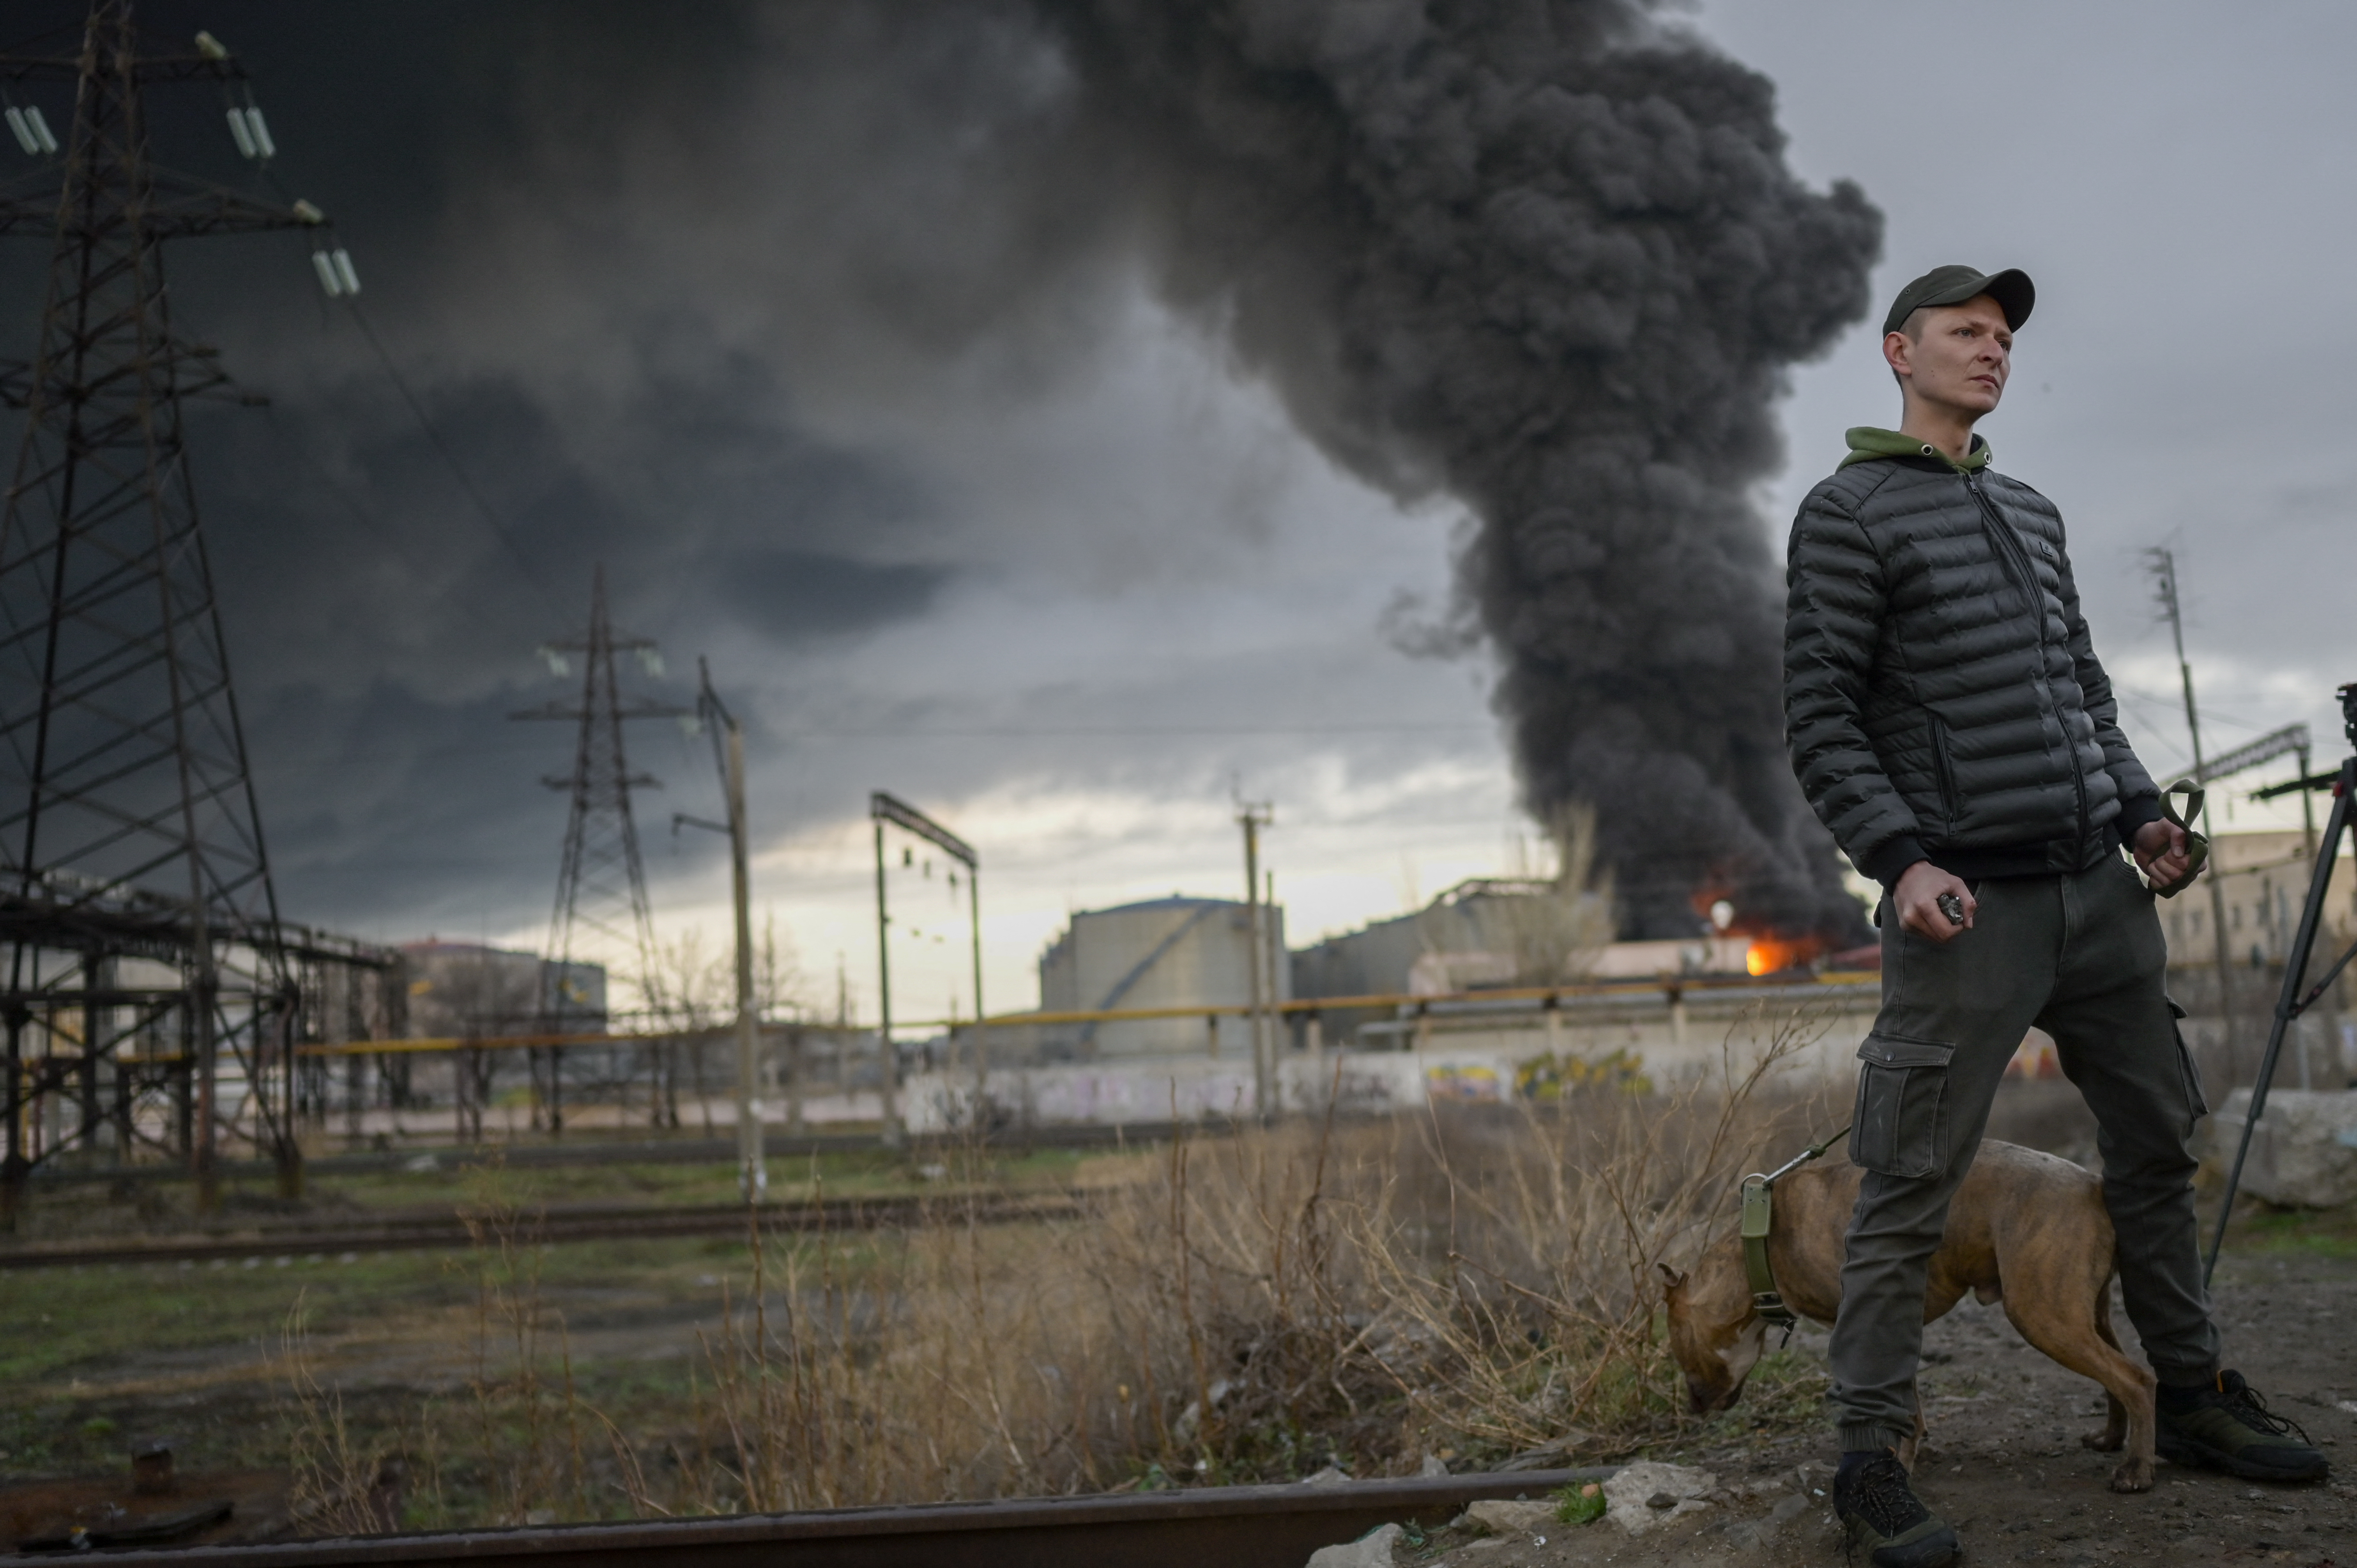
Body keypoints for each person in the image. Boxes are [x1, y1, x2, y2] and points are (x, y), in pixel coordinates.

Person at [1781, 264, 2326, 1568]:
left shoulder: (2029, 509)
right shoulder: (1847, 513)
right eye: (1967, 333)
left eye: (2006, 338)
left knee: (2155, 1140)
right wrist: (1902, 860)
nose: (1993, 352)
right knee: (1907, 1176)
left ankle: (2186, 1393)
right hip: (1966, 907)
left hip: (2099, 888)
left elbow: (2081, 686)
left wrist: (2140, 811)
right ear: (1899, 352)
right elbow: (1822, 716)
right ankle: (1868, 1454)